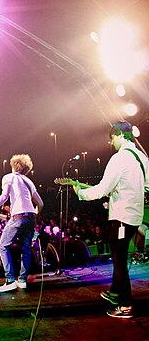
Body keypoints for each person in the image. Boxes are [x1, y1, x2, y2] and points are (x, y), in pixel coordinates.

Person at [71, 121, 149, 319]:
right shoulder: (142, 158)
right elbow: (146, 186)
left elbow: (102, 190)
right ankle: (115, 292)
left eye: (112, 137)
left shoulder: (118, 158)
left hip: (121, 218)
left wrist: (80, 192)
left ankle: (125, 305)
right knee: (120, 257)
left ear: (120, 136)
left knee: (119, 262)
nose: (111, 142)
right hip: (135, 216)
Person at [0, 154, 44, 292]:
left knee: (2, 246)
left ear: (14, 165)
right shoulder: (29, 181)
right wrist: (34, 214)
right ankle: (22, 280)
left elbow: (4, 196)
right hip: (30, 218)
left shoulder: (8, 177)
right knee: (26, 249)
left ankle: (10, 280)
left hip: (18, 217)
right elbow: (40, 203)